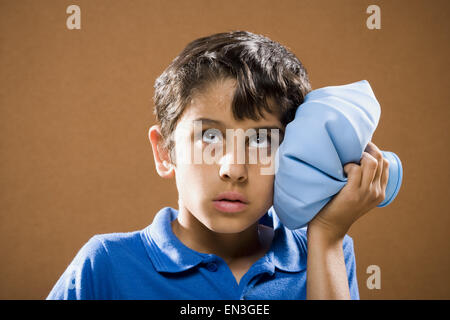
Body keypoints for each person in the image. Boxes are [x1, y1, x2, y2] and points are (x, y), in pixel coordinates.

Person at [47, 30, 389, 300]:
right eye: (209, 137)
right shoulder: (107, 265)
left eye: (260, 141)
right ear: (165, 152)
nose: (233, 169)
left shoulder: (324, 249)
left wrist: (327, 240)